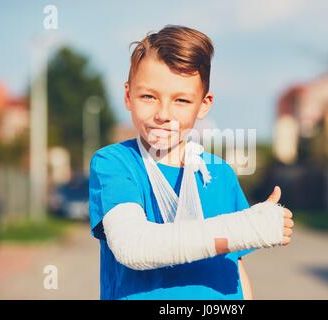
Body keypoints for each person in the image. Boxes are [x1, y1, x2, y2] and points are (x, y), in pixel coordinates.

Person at [89, 25, 294, 300]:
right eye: (148, 96)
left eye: (182, 100)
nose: (163, 114)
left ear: (204, 104)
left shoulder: (220, 174)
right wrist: (248, 228)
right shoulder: (115, 163)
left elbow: (236, 268)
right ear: (128, 96)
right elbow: (133, 246)